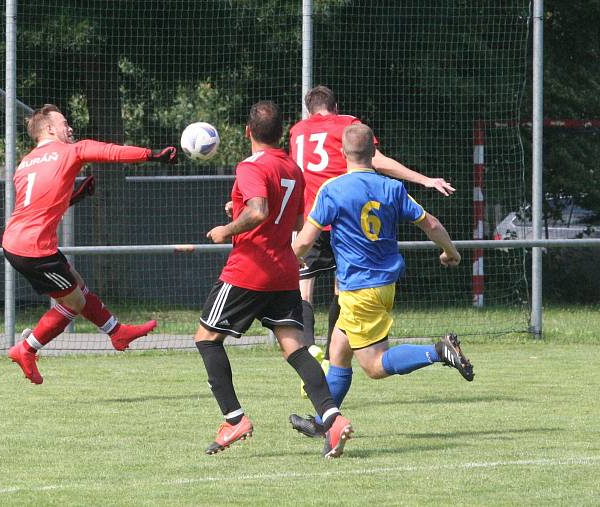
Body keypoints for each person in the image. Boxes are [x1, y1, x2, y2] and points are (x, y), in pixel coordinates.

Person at [289, 123, 474, 456]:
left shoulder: (332, 190)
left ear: (342, 154)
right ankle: (323, 421)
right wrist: (451, 251)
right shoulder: (391, 188)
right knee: (338, 353)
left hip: (360, 290)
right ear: (374, 153)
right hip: (381, 286)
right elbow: (430, 223)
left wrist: (280, 266)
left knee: (374, 366)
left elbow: (304, 241)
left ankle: (438, 351)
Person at [196, 100, 351, 458]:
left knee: (206, 338)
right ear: (282, 133)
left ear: (248, 131)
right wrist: (240, 211)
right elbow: (295, 223)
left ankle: (234, 419)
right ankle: (333, 417)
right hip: (284, 269)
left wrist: (227, 228)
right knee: (294, 347)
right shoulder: (293, 169)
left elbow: (259, 210)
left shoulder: (251, 165)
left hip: (250, 268)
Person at [3, 104, 177, 384]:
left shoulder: (24, 164)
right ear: (49, 129)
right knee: (73, 303)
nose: (69, 128)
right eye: (64, 123)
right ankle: (26, 348)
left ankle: (117, 332)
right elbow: (112, 152)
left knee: (77, 283)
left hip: (19, 241)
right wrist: (153, 155)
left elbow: (40, 204)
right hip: (34, 248)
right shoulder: (71, 150)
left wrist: (76, 196)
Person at [289, 85, 455, 358]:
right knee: (342, 291)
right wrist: (424, 179)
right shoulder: (347, 125)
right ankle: (332, 354)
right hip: (345, 218)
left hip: (313, 217)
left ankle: (308, 351)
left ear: (309, 110)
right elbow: (379, 161)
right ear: (336, 106)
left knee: (303, 289)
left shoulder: (297, 131)